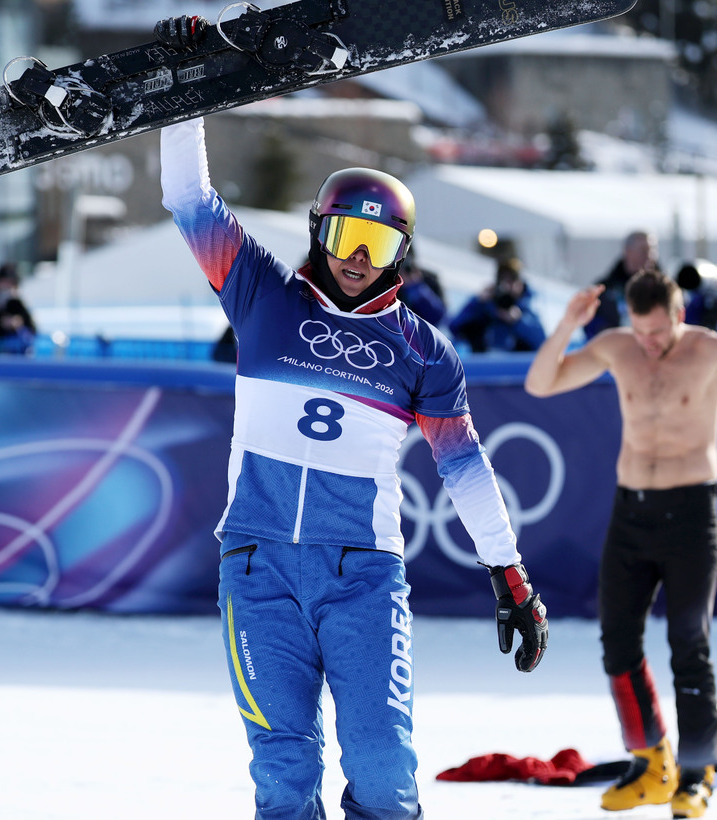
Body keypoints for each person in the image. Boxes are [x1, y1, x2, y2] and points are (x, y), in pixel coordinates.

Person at [157, 32, 548, 816]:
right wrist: (185, 95)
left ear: (400, 252)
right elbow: (190, 201)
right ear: (318, 232)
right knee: (284, 770)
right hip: (258, 566)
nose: (356, 258)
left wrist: (508, 573)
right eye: (344, 237)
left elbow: (465, 468)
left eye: (375, 243)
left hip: (361, 574)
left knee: (382, 767)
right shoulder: (263, 297)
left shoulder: (423, 352)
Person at [524, 269, 717, 818]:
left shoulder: (713, 350)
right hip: (631, 513)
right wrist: (568, 325)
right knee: (617, 642)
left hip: (691, 514)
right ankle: (652, 761)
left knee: (688, 645)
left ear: (678, 316)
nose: (648, 343)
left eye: (657, 332)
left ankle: (697, 773)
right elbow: (541, 383)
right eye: (639, 331)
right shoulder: (615, 346)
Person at [449, 257, 546, 352]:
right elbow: (454, 327)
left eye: (511, 280)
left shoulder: (528, 307)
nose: (506, 286)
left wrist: (518, 321)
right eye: (502, 279)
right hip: (487, 365)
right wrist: (477, 302)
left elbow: (542, 343)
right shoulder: (486, 305)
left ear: (520, 283)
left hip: (517, 366)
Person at [585, 230, 659, 338]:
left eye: (653, 250)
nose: (649, 256)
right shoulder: (604, 290)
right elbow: (589, 324)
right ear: (628, 251)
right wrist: (610, 334)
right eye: (643, 250)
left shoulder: (665, 289)